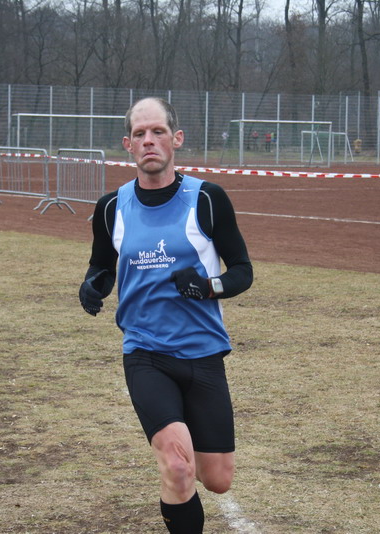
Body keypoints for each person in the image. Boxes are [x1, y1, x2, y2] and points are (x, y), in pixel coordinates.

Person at [78, 97, 253, 533]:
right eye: (139, 134)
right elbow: (101, 265)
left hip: (203, 353)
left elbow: (242, 271)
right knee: (177, 466)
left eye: (157, 132)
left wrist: (209, 287)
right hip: (146, 353)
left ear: (176, 139)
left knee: (218, 479)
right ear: (128, 144)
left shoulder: (207, 199)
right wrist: (93, 285)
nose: (148, 141)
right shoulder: (111, 208)